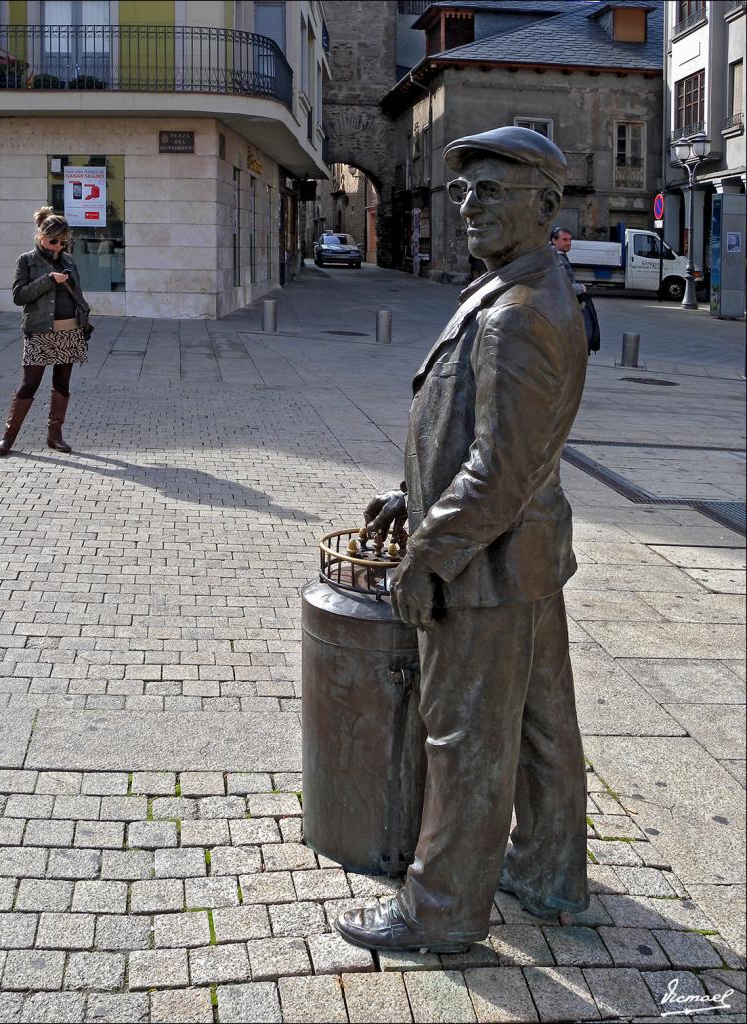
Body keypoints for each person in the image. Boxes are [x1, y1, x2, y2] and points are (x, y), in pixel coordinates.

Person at [336, 127, 589, 954]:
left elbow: (497, 473)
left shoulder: (519, 313)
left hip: (486, 561)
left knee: (465, 736)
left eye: (492, 191)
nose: (470, 206)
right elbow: (482, 437)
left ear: (546, 206)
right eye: (463, 192)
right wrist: (409, 493)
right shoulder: (521, 285)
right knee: (541, 725)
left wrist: (426, 554)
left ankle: (439, 912)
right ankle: (548, 873)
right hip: (526, 556)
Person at [0, 206, 90, 457]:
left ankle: (54, 436)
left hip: (69, 330)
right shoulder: (26, 260)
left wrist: (83, 317)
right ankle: (8, 437)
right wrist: (48, 280)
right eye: (53, 240)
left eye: (62, 241)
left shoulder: (69, 260)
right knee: (29, 384)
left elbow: (77, 294)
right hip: (39, 331)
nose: (58, 246)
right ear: (40, 235)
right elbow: (19, 296)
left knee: (62, 383)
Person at [550, 226, 601, 354]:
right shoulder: (555, 258)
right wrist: (580, 288)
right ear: (554, 240)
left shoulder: (558, 256)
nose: (568, 243)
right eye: (564, 239)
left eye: (570, 240)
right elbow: (559, 284)